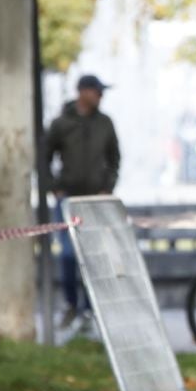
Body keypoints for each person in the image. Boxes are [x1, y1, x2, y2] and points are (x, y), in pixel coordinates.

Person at [40, 74, 121, 326]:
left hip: (95, 200)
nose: (101, 96)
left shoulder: (105, 123)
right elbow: (43, 157)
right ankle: (71, 304)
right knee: (67, 254)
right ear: (83, 92)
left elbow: (115, 158)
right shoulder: (61, 123)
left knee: (94, 254)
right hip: (69, 199)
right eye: (97, 91)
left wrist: (107, 187)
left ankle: (89, 308)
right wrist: (54, 187)